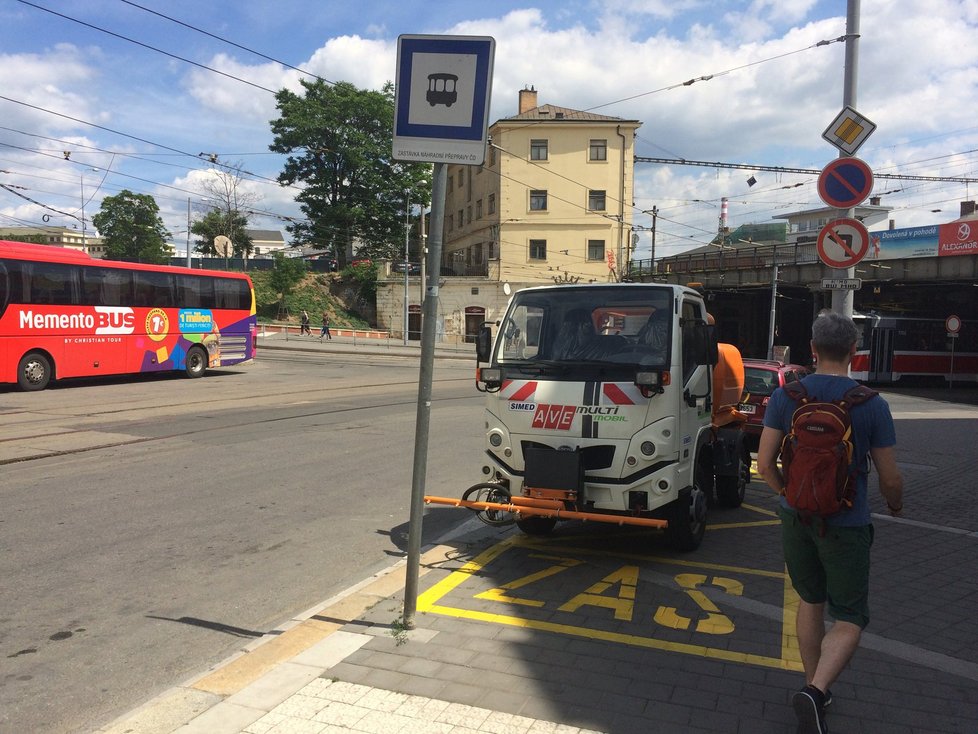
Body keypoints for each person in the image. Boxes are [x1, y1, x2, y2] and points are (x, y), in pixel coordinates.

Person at [756, 310, 904, 734]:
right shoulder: (872, 405)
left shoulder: (787, 397)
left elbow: (765, 463)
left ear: (813, 351)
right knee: (851, 615)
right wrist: (895, 506)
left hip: (795, 517)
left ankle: (811, 685)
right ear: (855, 352)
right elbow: (891, 477)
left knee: (810, 600)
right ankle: (817, 692)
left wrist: (788, 495)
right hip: (847, 522)